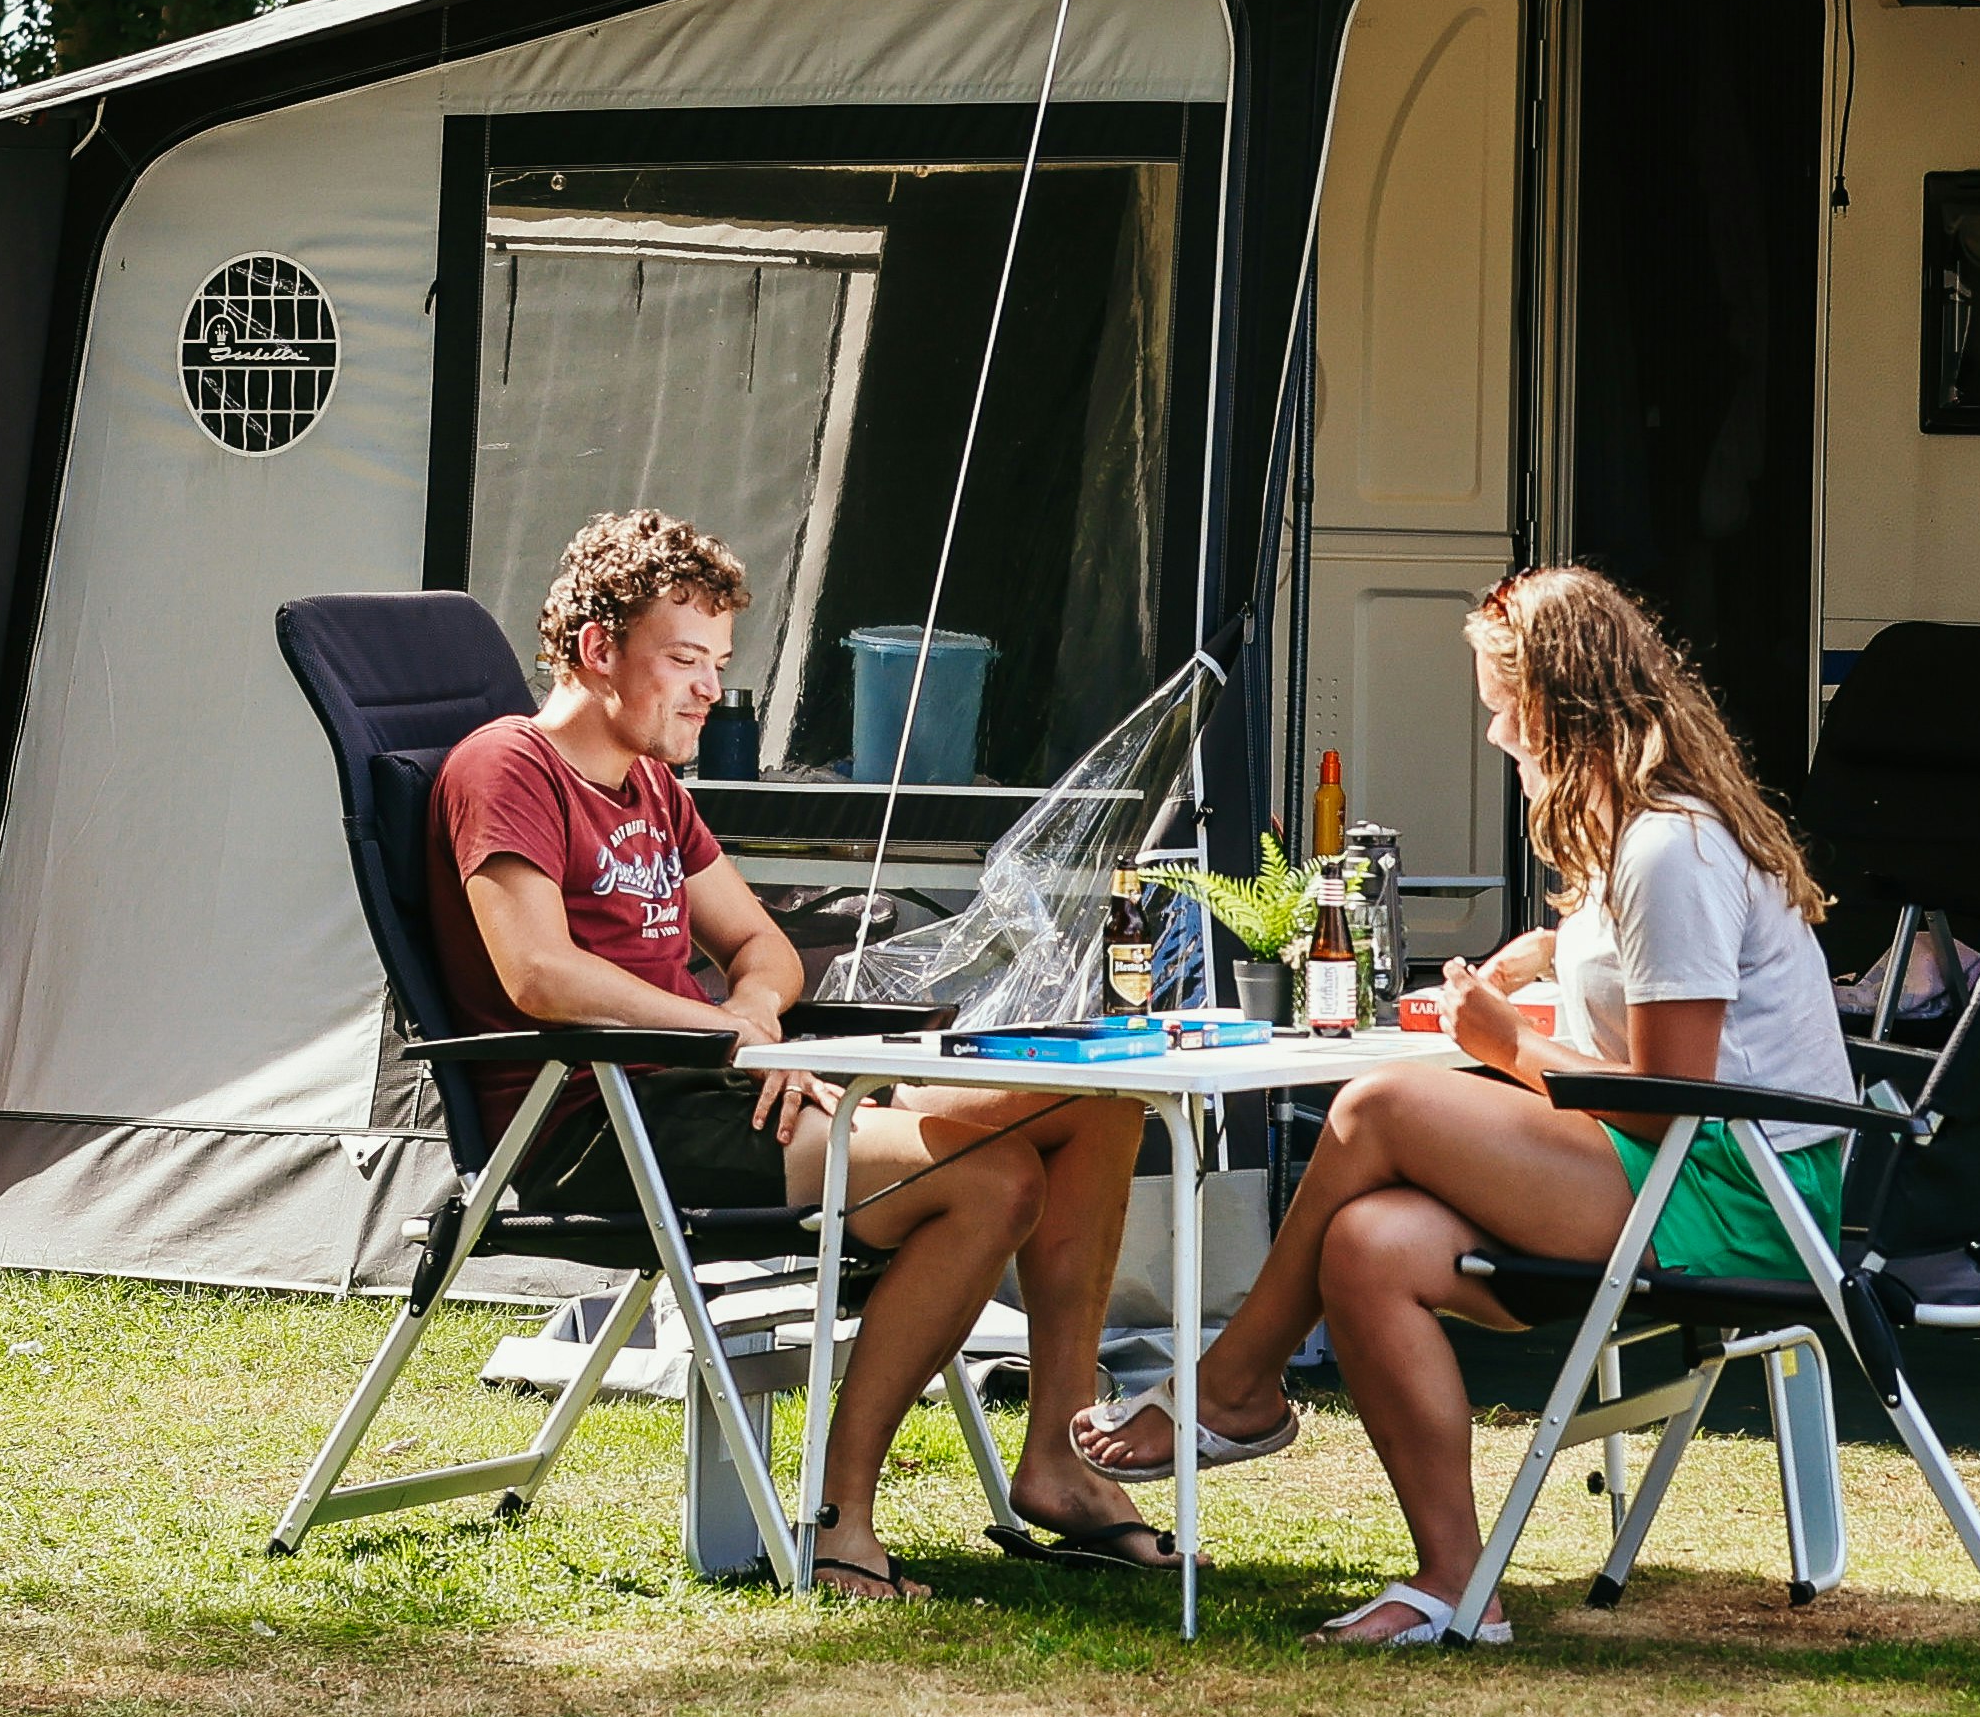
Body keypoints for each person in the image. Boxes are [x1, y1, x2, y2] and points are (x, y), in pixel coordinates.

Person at [1073, 564, 1855, 1650]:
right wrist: (1550, 964)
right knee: (1367, 1242)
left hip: (1739, 1195)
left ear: (1558, 704)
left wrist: (1507, 1042)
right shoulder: (1638, 839)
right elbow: (1648, 1040)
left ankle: (1234, 1385)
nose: (1494, 733)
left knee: (1379, 1102)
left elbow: (1675, 1099)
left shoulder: (1668, 850)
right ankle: (1455, 1584)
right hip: (1684, 1173)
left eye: (1502, 704)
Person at [432, 509, 1172, 1602]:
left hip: (709, 1091)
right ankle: (838, 1521)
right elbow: (536, 974)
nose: (707, 692)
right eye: (684, 660)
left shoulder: (652, 789)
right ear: (598, 649)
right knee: (990, 1182)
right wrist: (722, 1031)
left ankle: (1057, 1457)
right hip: (599, 1126)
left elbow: (762, 945)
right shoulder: (507, 768)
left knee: (1091, 1103)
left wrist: (754, 1018)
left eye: (718, 665)